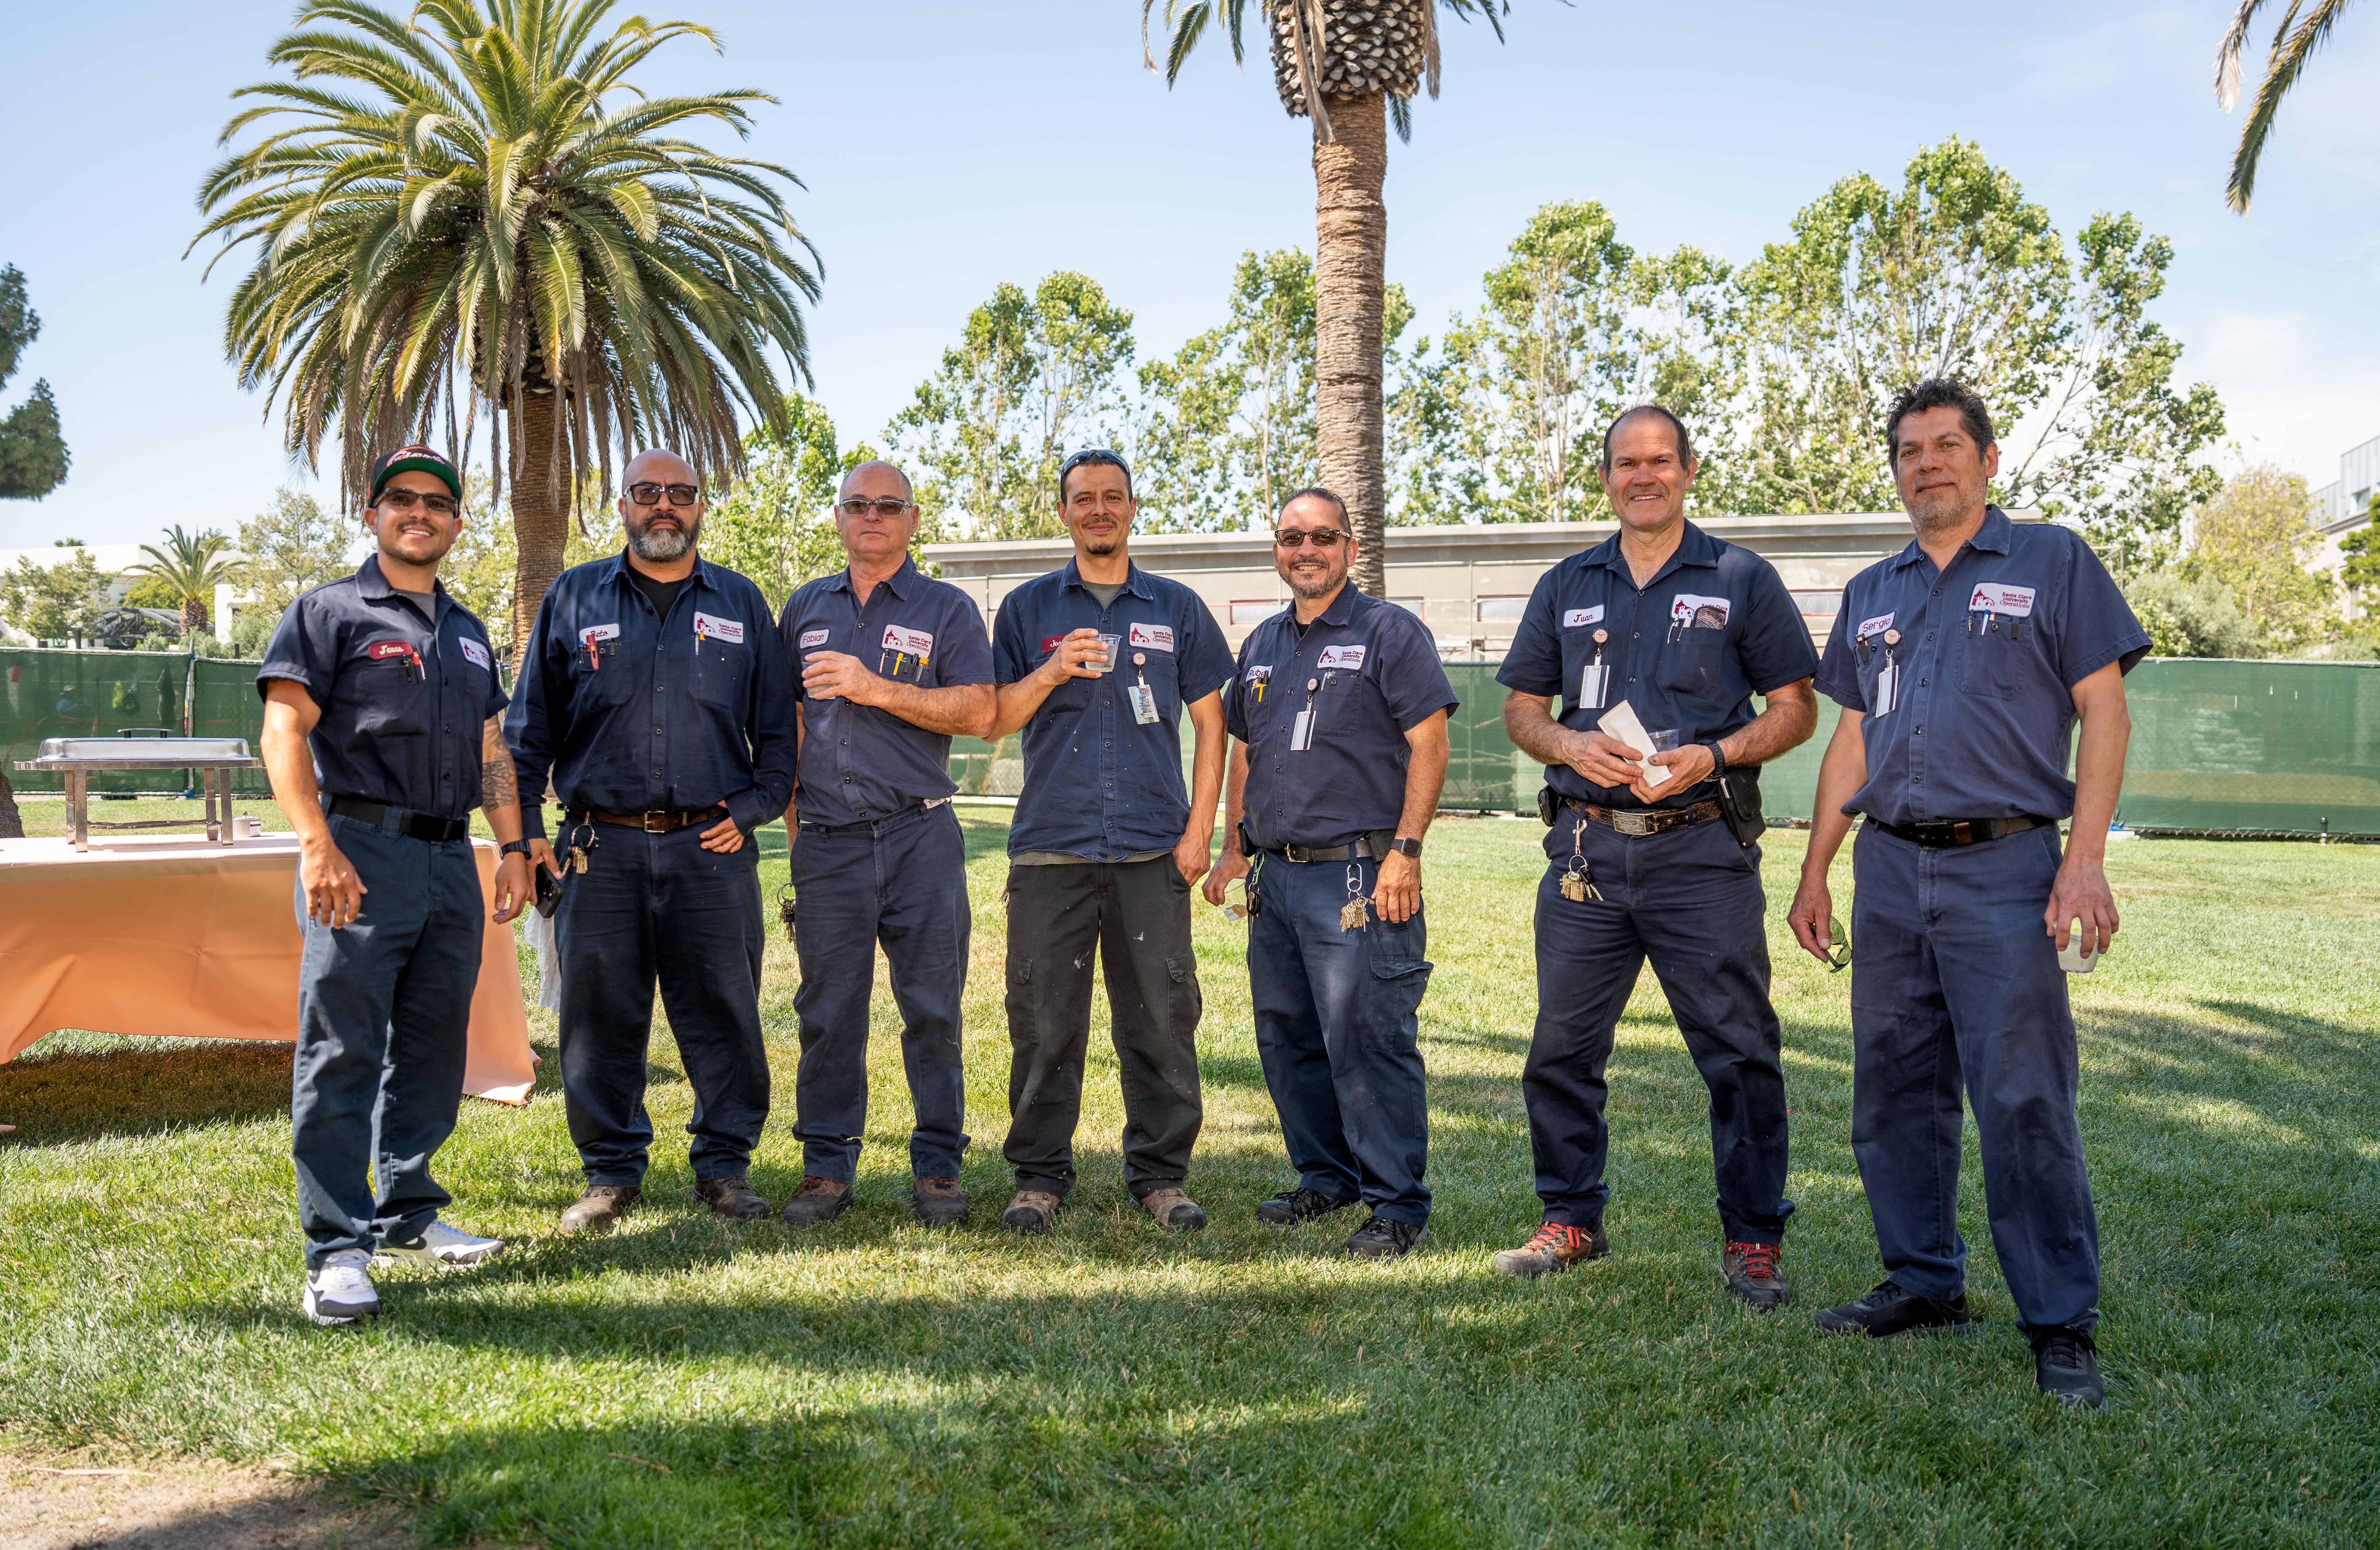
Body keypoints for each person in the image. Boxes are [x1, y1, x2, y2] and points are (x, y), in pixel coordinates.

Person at [1788, 379, 2143, 1408]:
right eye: (1908, 450)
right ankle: (1921, 1280)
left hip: (2006, 869)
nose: (1926, 463)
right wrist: (1814, 868)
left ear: (1987, 461)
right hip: (1887, 869)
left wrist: (2083, 858)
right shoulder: (1871, 591)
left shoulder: (2052, 560)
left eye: (1947, 445)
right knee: (1891, 1089)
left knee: (2022, 1094)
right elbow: (1849, 738)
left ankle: (2058, 1320)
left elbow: (2103, 710)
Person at [1493, 405, 1819, 1305]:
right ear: (1607, 478)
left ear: (1689, 469)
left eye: (1661, 461)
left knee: (1740, 1051)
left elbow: (1796, 707)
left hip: (1700, 852)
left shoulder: (1741, 577)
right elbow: (1523, 706)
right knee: (1561, 1049)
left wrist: (1713, 755)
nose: (1645, 476)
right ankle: (1571, 1218)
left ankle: (1754, 1237)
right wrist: (1565, 745)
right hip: (1587, 857)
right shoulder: (1567, 583)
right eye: (1628, 463)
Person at [256, 444, 531, 1325]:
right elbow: (283, 733)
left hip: (453, 860)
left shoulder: (469, 630)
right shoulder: (327, 612)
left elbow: (495, 751)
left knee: (432, 1044)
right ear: (371, 513)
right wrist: (316, 843)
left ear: (456, 522)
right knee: (342, 1048)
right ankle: (335, 1249)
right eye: (402, 499)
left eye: (438, 503)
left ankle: (410, 1214)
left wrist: (515, 848)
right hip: (361, 850)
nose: (421, 513)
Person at [505, 449, 798, 1233]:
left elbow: (778, 734)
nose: (664, 506)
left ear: (702, 506)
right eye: (648, 493)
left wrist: (755, 807)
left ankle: (726, 1168)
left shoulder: (740, 602)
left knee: (726, 1011)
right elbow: (527, 731)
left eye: (681, 494)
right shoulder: (573, 597)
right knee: (599, 1016)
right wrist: (528, 834)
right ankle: (610, 1172)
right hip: (600, 849)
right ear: (623, 504)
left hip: (713, 849)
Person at [984, 449, 1235, 1234]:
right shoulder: (1026, 609)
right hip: (1050, 850)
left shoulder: (1177, 608)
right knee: (1044, 1021)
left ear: (1132, 509)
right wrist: (1053, 671)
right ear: (1062, 512)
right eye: (1083, 499)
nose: (1099, 510)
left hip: (1151, 852)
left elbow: (1211, 724)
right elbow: (997, 716)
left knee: (1161, 1020)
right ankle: (1039, 1177)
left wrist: (1201, 832)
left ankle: (1161, 1176)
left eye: (1113, 498)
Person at [1204, 488, 1457, 1259]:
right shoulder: (1262, 645)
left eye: (1321, 537)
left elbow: (1430, 744)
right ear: (1276, 550)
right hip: (1276, 880)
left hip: (1359, 875)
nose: (1304, 550)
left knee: (1368, 1038)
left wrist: (1405, 851)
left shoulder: (1389, 633)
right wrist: (1234, 846)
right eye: (1290, 538)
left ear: (1349, 547)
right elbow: (1244, 751)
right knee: (1288, 1037)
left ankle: (1396, 1205)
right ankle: (1327, 1176)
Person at [774, 460, 996, 1229]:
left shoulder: (947, 607)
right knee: (829, 1011)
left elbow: (978, 709)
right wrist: (800, 831)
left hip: (920, 835)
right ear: (838, 517)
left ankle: (938, 1167)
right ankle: (826, 1169)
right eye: (858, 506)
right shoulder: (805, 607)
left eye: (889, 507)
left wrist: (876, 688)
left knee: (931, 1008)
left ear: (911, 520)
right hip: (828, 845)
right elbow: (788, 725)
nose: (873, 517)